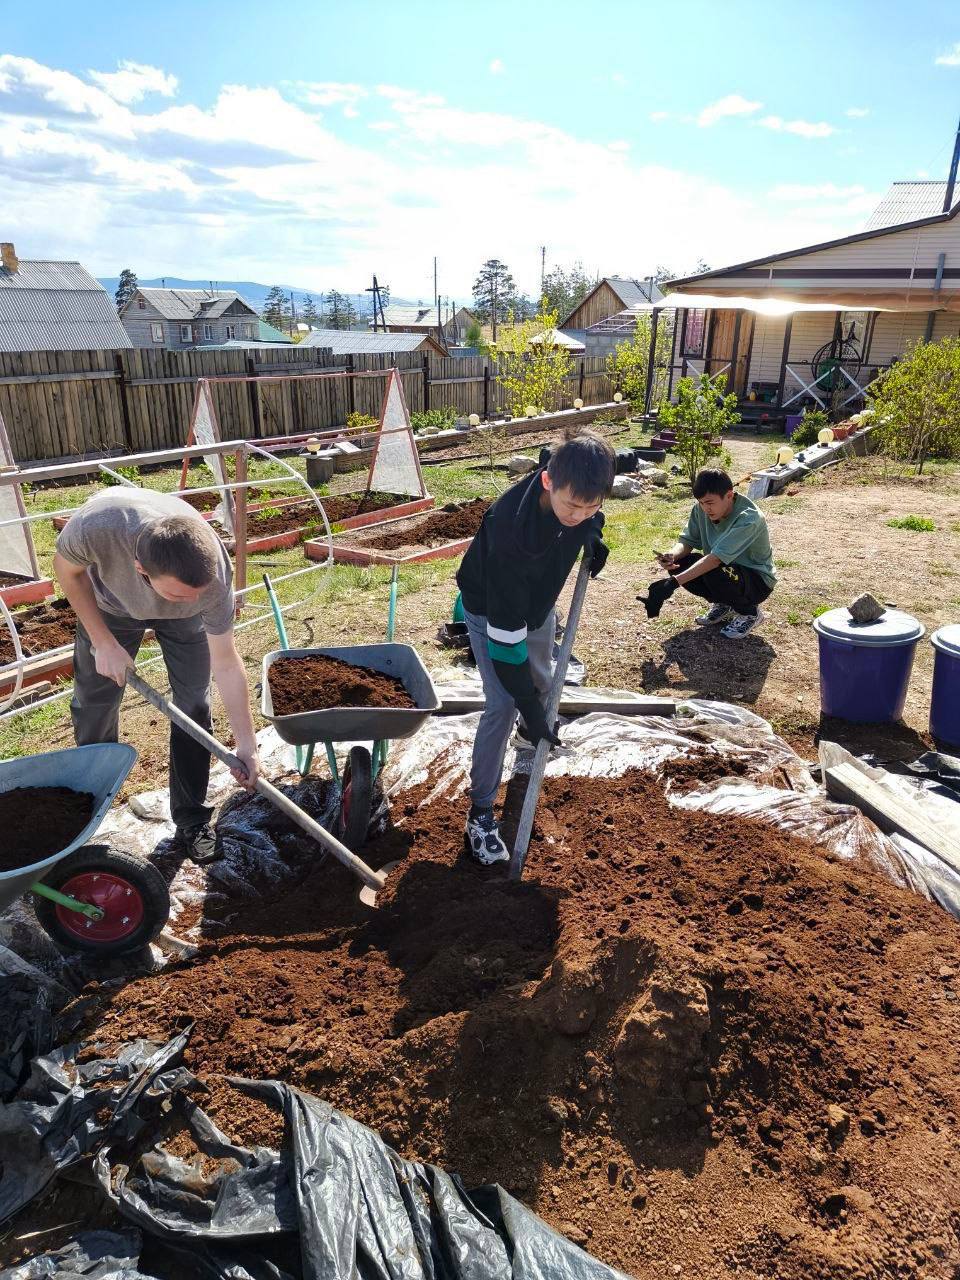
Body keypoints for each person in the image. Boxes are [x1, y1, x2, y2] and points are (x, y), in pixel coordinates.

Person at [53, 489, 260, 864]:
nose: (188, 600)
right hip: (111, 607)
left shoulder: (211, 582)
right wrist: (102, 641)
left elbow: (227, 663)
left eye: (194, 595)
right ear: (141, 570)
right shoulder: (96, 527)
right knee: (94, 704)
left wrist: (247, 744)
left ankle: (192, 819)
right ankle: (84, 812)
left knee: (194, 704)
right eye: (178, 595)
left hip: (185, 628)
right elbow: (67, 570)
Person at [456, 431, 614, 865]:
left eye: (590, 506)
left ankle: (529, 735)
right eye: (571, 506)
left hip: (537, 604)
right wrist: (527, 707)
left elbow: (588, 511)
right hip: (492, 609)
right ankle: (481, 814)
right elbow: (507, 649)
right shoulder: (511, 532)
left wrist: (592, 535)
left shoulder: (579, 487)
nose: (577, 514)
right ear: (547, 482)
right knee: (505, 704)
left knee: (541, 682)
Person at [638, 467, 776, 639]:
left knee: (712, 570)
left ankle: (750, 613)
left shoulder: (749, 518)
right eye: (701, 503)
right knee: (681, 564)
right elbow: (687, 542)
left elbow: (715, 559)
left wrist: (672, 584)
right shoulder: (700, 509)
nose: (705, 509)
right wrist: (672, 555)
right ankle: (724, 605)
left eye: (710, 503)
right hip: (725, 570)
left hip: (757, 581)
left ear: (729, 495)